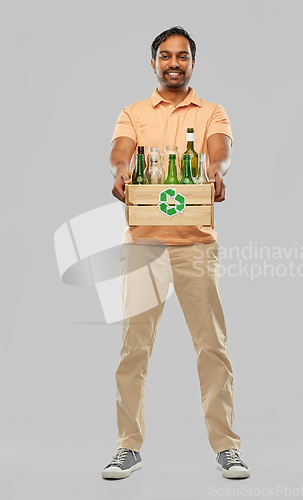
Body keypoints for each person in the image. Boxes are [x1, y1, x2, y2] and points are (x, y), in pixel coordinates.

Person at [102, 26, 250, 480]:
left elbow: (219, 151)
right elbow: (120, 152)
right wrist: (122, 172)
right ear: (153, 63)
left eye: (182, 56)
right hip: (143, 244)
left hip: (195, 246)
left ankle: (227, 447)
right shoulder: (133, 112)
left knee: (212, 347)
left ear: (191, 63)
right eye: (165, 55)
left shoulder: (211, 111)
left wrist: (216, 172)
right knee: (134, 349)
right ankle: (129, 446)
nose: (173, 63)